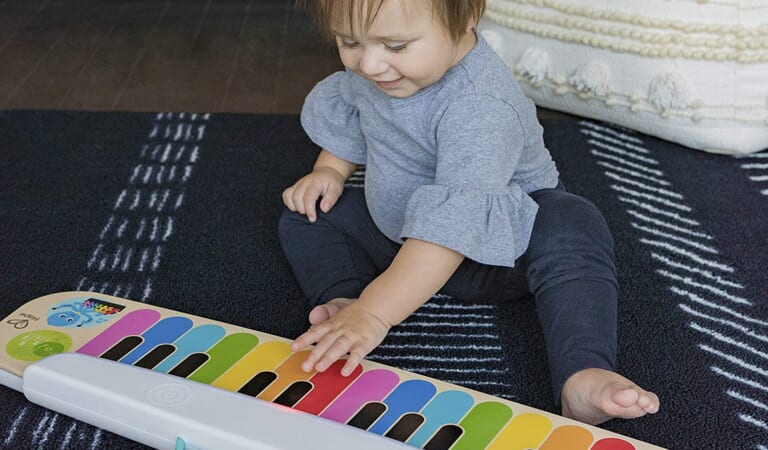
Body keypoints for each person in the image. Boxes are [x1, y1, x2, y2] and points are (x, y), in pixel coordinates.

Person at [278, 0, 659, 425]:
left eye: (396, 46)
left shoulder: (480, 104)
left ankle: (584, 371)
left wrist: (376, 312)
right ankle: (343, 299)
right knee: (306, 211)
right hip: (399, 232)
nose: (368, 63)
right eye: (349, 42)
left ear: (467, 19)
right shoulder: (377, 68)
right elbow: (354, 112)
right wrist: (329, 170)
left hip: (497, 251)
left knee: (572, 223)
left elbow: (454, 226)